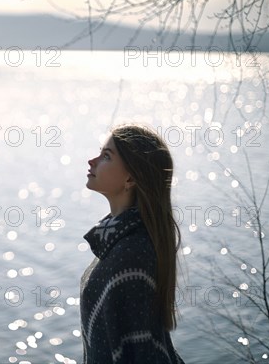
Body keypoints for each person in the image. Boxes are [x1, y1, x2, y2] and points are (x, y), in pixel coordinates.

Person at [80, 124, 185, 364]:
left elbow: (142, 352)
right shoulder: (115, 240)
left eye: (106, 156)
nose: (92, 161)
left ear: (130, 178)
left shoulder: (131, 255)